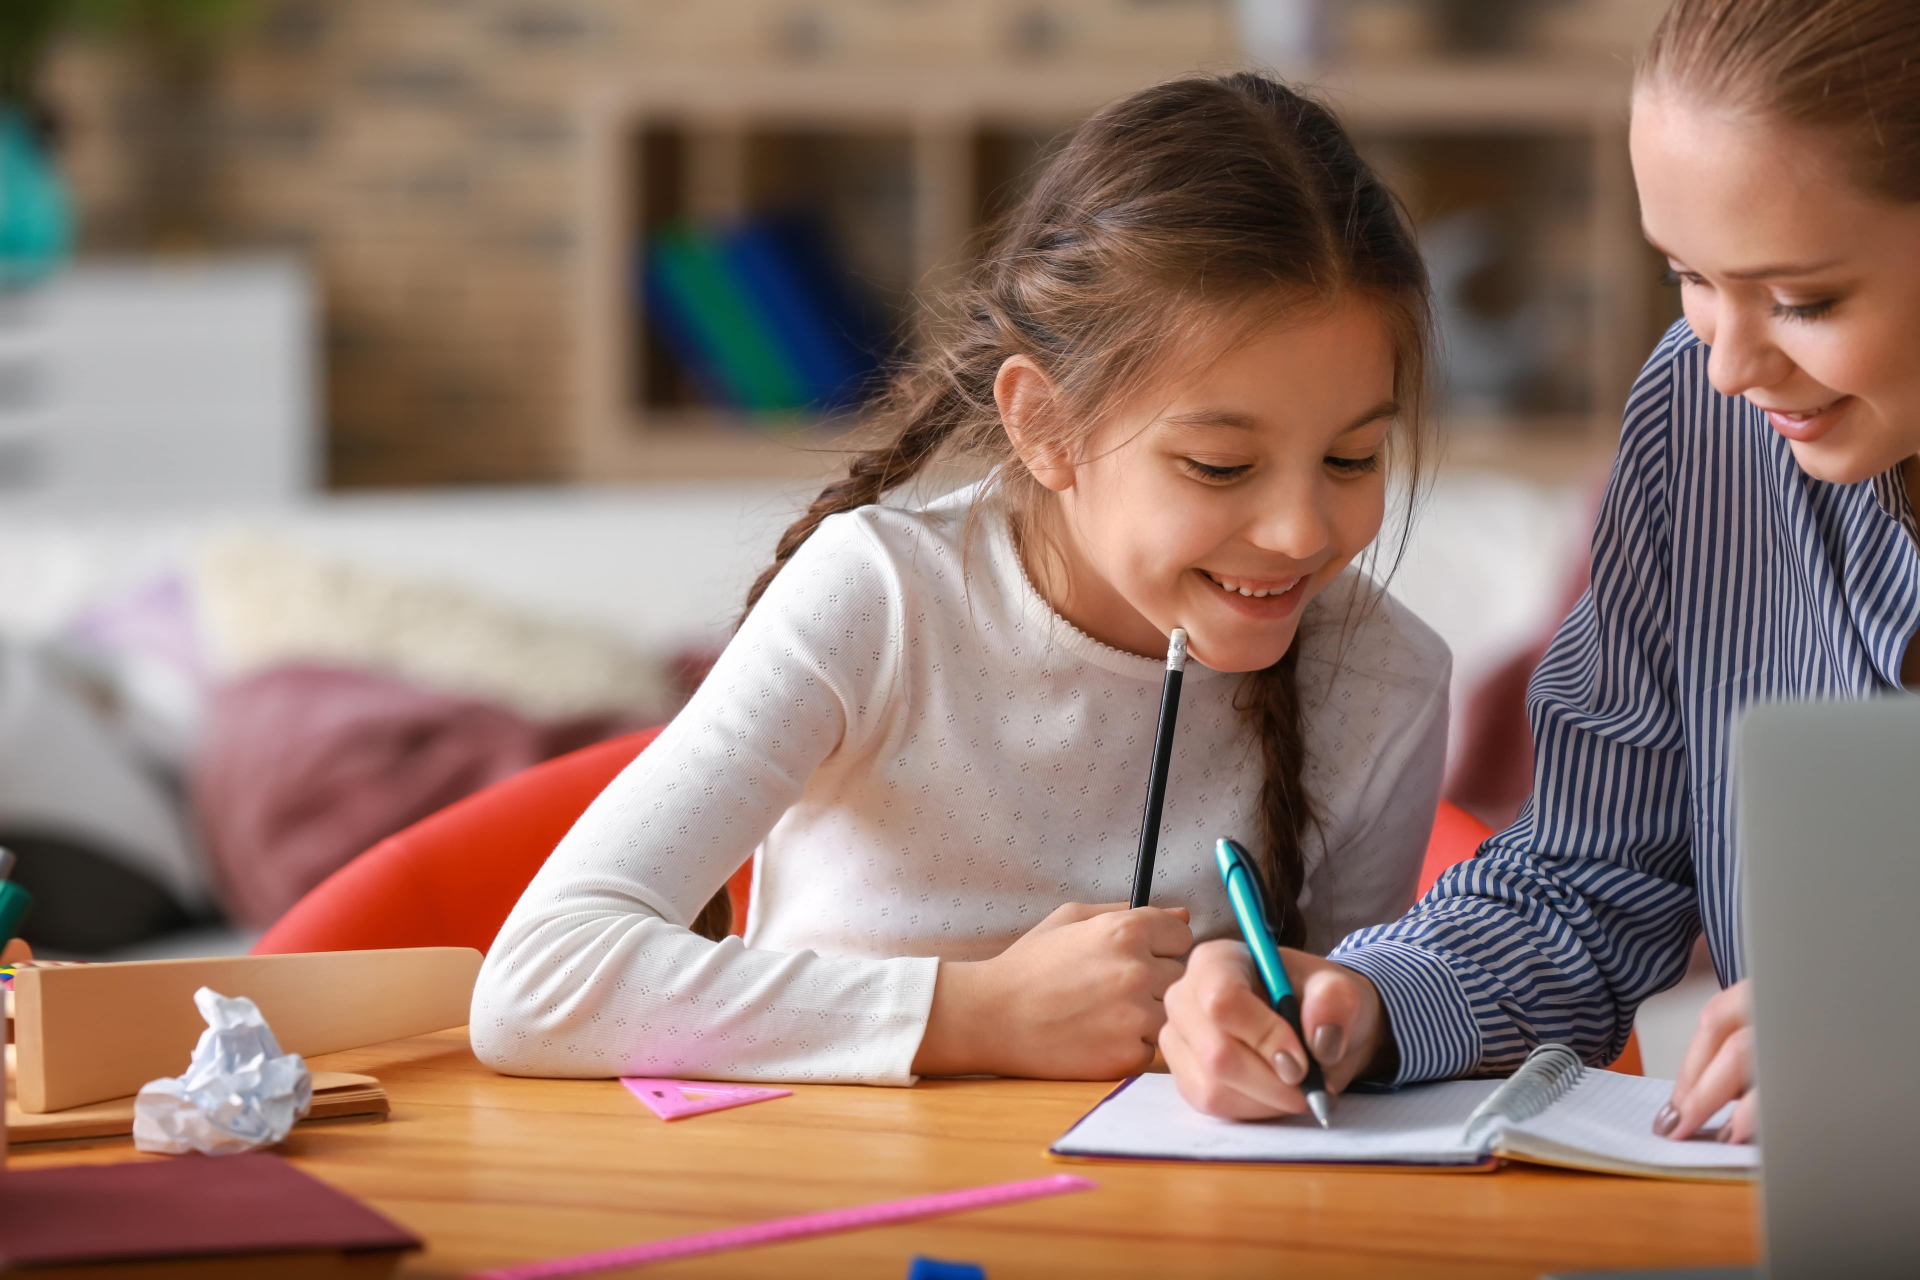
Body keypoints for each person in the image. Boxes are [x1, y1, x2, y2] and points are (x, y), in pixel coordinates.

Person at [471, 72, 1451, 1085]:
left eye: (1351, 459)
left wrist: (1301, 1044)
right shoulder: (882, 600)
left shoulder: (1385, 680)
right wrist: (978, 1012)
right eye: (1219, 465)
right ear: (1044, 424)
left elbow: (1343, 1061)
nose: (1300, 530)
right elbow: (539, 983)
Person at [1161, 0, 1920, 1146]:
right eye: (1689, 276)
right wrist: (1366, 1000)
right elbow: (1594, 868)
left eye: (1805, 300)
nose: (1728, 366)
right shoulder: (1701, 423)